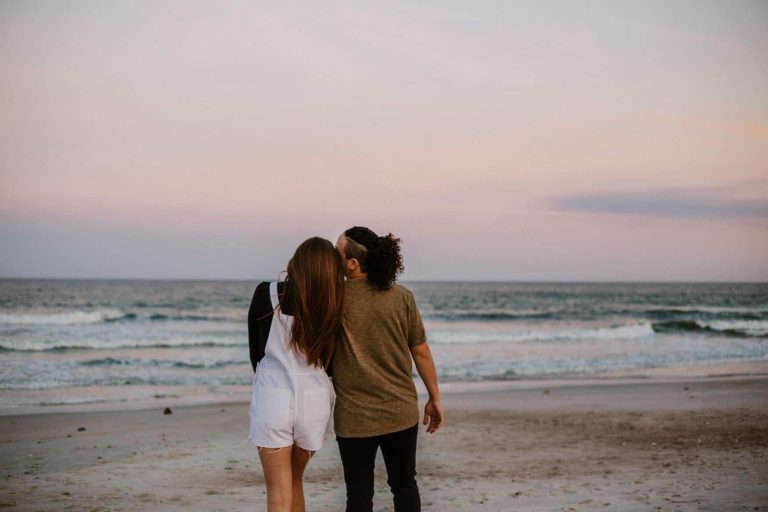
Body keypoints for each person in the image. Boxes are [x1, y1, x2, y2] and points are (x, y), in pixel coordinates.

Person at [332, 226, 444, 512]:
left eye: (337, 254)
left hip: (354, 415)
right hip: (399, 409)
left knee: (358, 494)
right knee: (404, 483)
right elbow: (420, 351)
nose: (332, 259)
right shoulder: (402, 297)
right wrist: (435, 398)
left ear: (352, 264)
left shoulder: (334, 299)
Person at [247, 237, 345, 512]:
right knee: (295, 480)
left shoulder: (265, 293)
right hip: (314, 400)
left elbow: (256, 353)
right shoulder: (334, 304)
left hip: (274, 396)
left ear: (297, 262)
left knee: (278, 490)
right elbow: (333, 363)